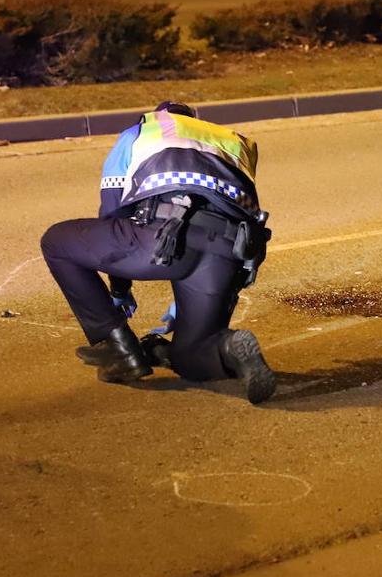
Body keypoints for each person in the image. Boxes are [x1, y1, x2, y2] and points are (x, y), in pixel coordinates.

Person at [40, 101, 275, 404]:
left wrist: (119, 289)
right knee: (191, 355)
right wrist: (188, 304)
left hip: (163, 235)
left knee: (57, 243)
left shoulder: (139, 133)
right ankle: (229, 346)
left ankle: (117, 349)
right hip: (227, 249)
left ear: (156, 115)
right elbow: (248, 218)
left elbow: (112, 214)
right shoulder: (233, 141)